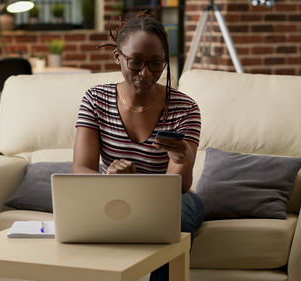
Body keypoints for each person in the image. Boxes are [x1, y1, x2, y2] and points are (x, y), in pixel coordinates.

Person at [72, 12, 204, 281]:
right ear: (118, 57)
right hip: (114, 195)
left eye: (156, 64)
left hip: (169, 200)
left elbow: (179, 187)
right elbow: (81, 169)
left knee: (175, 216)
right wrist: (110, 180)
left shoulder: (185, 108)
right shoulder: (96, 100)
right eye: (136, 62)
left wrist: (181, 158)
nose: (146, 73)